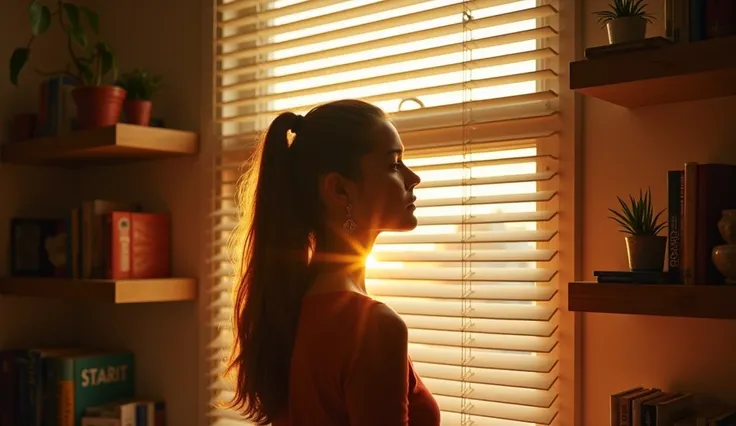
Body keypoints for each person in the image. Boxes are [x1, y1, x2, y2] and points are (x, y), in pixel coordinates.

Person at [225, 99, 441, 426]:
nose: (414, 178)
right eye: (394, 164)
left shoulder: (289, 307)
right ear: (340, 189)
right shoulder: (374, 327)